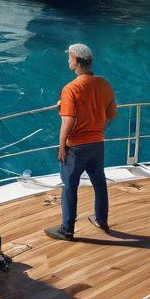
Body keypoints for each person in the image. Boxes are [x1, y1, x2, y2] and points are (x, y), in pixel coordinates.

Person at [45, 43, 117, 242]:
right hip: (97, 143)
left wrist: (61, 146)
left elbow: (69, 120)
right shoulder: (104, 84)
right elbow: (111, 114)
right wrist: (99, 130)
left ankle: (67, 229)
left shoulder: (71, 88)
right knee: (99, 183)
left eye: (70, 58)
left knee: (69, 186)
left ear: (77, 62)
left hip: (76, 146)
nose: (68, 60)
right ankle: (102, 220)